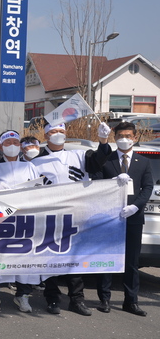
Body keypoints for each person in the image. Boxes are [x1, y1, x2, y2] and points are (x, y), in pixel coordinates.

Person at [31, 121, 112, 316]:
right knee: (49, 258)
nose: (58, 134)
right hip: (48, 216)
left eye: (61, 131)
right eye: (53, 131)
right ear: (46, 135)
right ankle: (52, 298)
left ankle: (77, 299)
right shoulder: (35, 161)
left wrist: (103, 141)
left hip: (76, 215)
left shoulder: (79, 155)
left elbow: (99, 161)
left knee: (73, 259)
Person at [95, 122, 152, 316]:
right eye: (120, 136)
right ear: (115, 138)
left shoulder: (143, 162)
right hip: (110, 217)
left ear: (135, 137)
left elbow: (148, 187)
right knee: (107, 259)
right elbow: (96, 182)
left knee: (131, 261)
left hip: (133, 217)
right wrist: (109, 184)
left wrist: (136, 206)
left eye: (128, 135)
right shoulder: (107, 159)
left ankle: (131, 301)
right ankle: (104, 299)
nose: (124, 139)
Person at [0, 130, 40, 313]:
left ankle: (22, 296)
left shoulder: (29, 166)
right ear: (0, 146)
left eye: (16, 142)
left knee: (25, 257)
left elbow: (40, 187)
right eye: (7, 143)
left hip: (25, 218)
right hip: (0, 220)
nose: (12, 146)